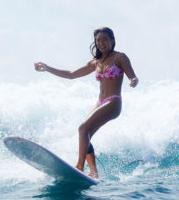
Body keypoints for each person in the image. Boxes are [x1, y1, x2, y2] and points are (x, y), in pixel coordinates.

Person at [34, 27, 138, 178]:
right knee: (85, 135)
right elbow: (71, 75)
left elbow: (132, 76)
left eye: (104, 39)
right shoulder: (95, 62)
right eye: (98, 40)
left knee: (83, 128)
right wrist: (47, 68)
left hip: (113, 102)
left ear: (112, 41)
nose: (101, 43)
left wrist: (133, 81)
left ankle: (79, 166)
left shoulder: (120, 57)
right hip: (100, 102)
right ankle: (94, 173)